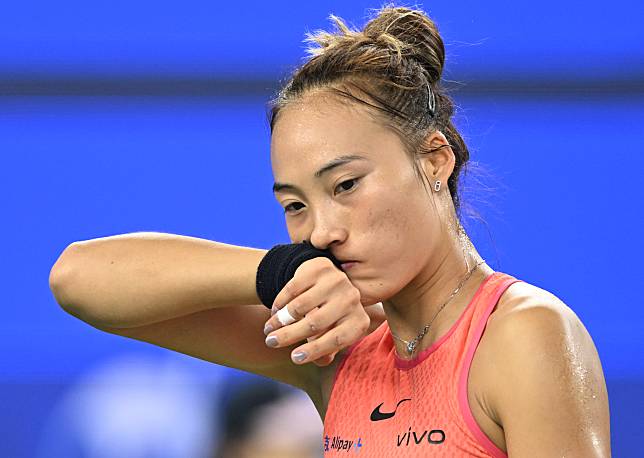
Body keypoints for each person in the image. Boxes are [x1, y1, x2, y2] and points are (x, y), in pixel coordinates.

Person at [49, 5, 610, 457]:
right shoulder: (335, 346)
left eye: (345, 185)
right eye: (295, 205)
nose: (320, 233)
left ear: (435, 160)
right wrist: (280, 270)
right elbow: (77, 278)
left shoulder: (523, 335)